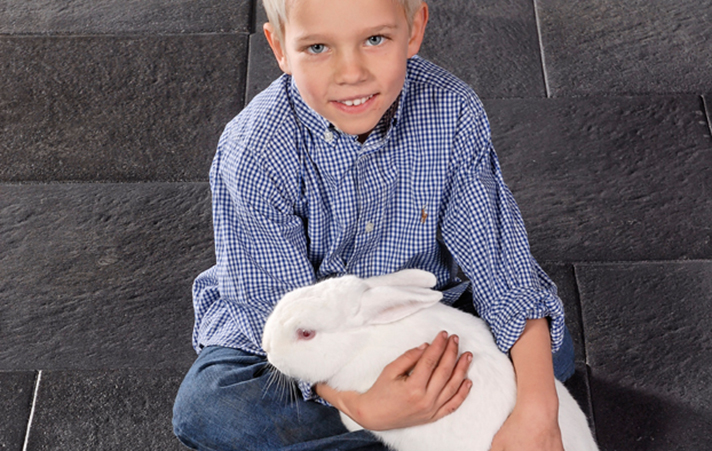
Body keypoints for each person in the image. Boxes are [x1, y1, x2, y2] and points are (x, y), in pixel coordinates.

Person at [173, 0, 576, 449]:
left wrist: (538, 412)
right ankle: (410, 422)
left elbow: (501, 262)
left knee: (551, 356)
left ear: (414, 29)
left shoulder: (452, 108)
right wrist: (360, 406)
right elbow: (273, 310)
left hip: (418, 314)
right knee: (209, 409)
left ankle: (403, 422)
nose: (351, 74)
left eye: (375, 39)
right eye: (318, 47)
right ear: (280, 47)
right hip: (305, 342)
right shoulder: (253, 148)